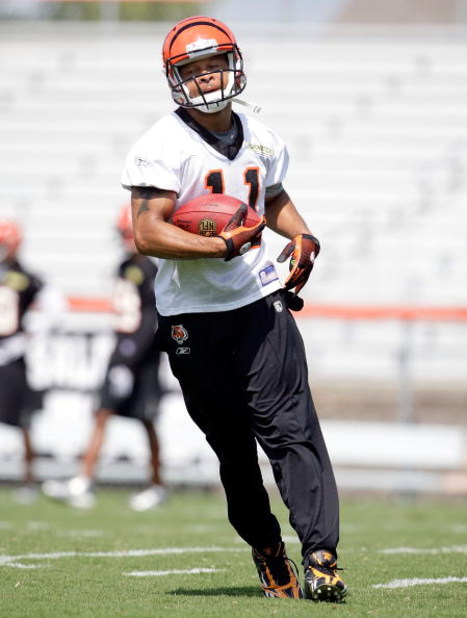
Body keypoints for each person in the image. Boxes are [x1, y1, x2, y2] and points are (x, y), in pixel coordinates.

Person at [121, 16, 347, 602]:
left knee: (292, 430)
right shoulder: (160, 146)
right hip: (190, 314)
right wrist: (218, 244)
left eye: (213, 64)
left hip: (258, 299)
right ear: (175, 80)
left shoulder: (263, 136)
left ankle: (322, 554)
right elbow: (146, 233)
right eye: (191, 70)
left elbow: (271, 196)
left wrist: (302, 236)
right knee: (232, 447)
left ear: (234, 64)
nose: (206, 78)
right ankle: (267, 546)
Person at [42, 206, 167, 511]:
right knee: (101, 413)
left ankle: (156, 485)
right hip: (121, 352)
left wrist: (130, 357)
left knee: (147, 420)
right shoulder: (124, 266)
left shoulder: (152, 270)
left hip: (143, 356)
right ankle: (83, 481)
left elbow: (152, 319)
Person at [0, 219, 64, 503]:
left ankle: (28, 479)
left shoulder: (23, 275)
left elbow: (56, 307)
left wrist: (29, 336)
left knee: (22, 420)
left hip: (12, 356)